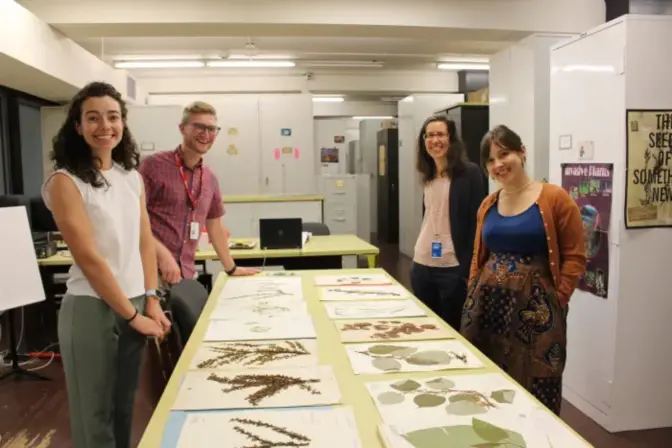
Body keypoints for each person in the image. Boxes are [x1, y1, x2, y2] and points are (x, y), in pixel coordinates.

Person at [42, 82, 171, 448]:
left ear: (123, 123)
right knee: (94, 417)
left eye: (113, 117)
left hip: (134, 303)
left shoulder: (131, 178)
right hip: (92, 308)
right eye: (93, 118)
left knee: (124, 408)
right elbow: (89, 258)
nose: (105, 126)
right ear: (78, 126)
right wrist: (132, 316)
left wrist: (151, 298)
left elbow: (145, 242)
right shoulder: (65, 182)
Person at [461, 125, 586, 416]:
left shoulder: (555, 198)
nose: (498, 165)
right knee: (485, 383)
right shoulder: (488, 204)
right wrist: (471, 291)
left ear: (522, 153)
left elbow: (575, 255)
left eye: (504, 154)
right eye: (490, 161)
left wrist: (559, 298)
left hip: (535, 313)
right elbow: (478, 256)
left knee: (537, 381)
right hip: (487, 308)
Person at [138, 101, 258, 289]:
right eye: (199, 127)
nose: (206, 134)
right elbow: (132, 218)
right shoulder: (153, 166)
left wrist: (231, 268)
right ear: (182, 128)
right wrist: (161, 254)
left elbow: (214, 225)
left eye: (212, 129)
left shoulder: (209, 178)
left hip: (183, 273)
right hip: (147, 272)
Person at [411, 114, 486, 330]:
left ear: (451, 139)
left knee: (453, 330)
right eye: (430, 135)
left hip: (452, 268)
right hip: (422, 264)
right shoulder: (428, 175)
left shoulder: (469, 173)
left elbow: (477, 222)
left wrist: (468, 270)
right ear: (424, 141)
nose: (435, 140)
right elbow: (430, 217)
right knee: (426, 329)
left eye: (441, 134)